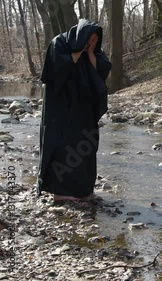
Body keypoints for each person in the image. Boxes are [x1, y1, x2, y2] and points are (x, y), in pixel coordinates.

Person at [38, 19, 112, 202]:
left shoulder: (93, 52)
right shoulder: (59, 43)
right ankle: (61, 192)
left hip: (84, 110)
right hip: (61, 109)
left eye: (96, 39)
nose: (92, 42)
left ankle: (84, 190)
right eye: (90, 38)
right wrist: (78, 52)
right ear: (81, 35)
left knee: (87, 147)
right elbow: (54, 73)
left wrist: (91, 54)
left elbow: (101, 72)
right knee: (63, 147)